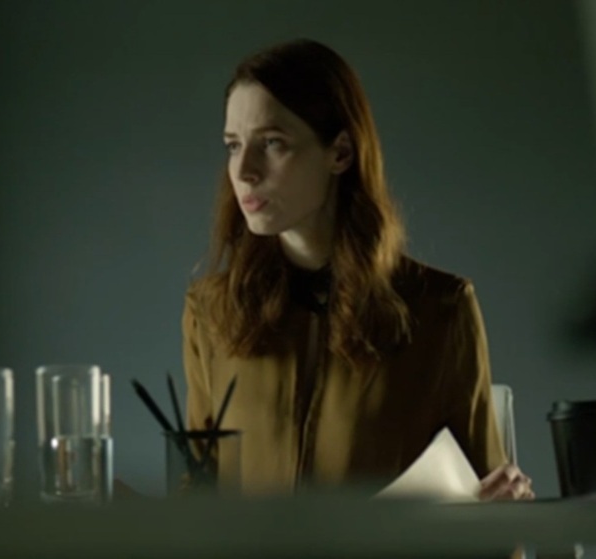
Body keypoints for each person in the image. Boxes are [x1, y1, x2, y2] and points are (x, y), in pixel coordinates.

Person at [182, 38, 533, 500]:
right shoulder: (210, 310)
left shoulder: (441, 309)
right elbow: (196, 495)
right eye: (233, 145)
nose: (244, 170)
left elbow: (487, 501)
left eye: (272, 143)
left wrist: (506, 502)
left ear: (341, 153)